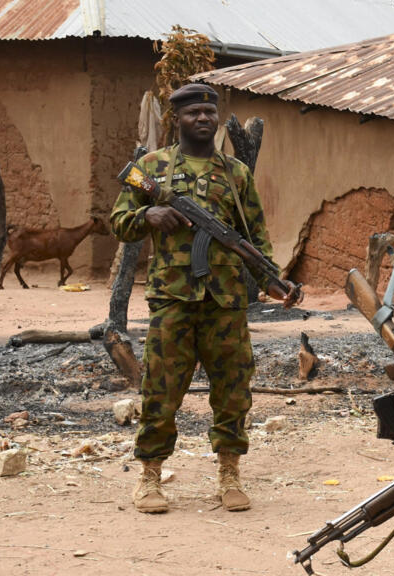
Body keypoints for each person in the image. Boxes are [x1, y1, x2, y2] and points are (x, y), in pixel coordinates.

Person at [110, 83, 298, 514]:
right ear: (178, 119)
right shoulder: (152, 168)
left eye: (209, 113)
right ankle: (150, 478)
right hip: (173, 299)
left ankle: (230, 474)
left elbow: (254, 237)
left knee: (233, 390)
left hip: (226, 301)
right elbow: (119, 221)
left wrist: (271, 279)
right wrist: (148, 214)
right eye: (193, 112)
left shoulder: (235, 174)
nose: (203, 119)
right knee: (161, 390)